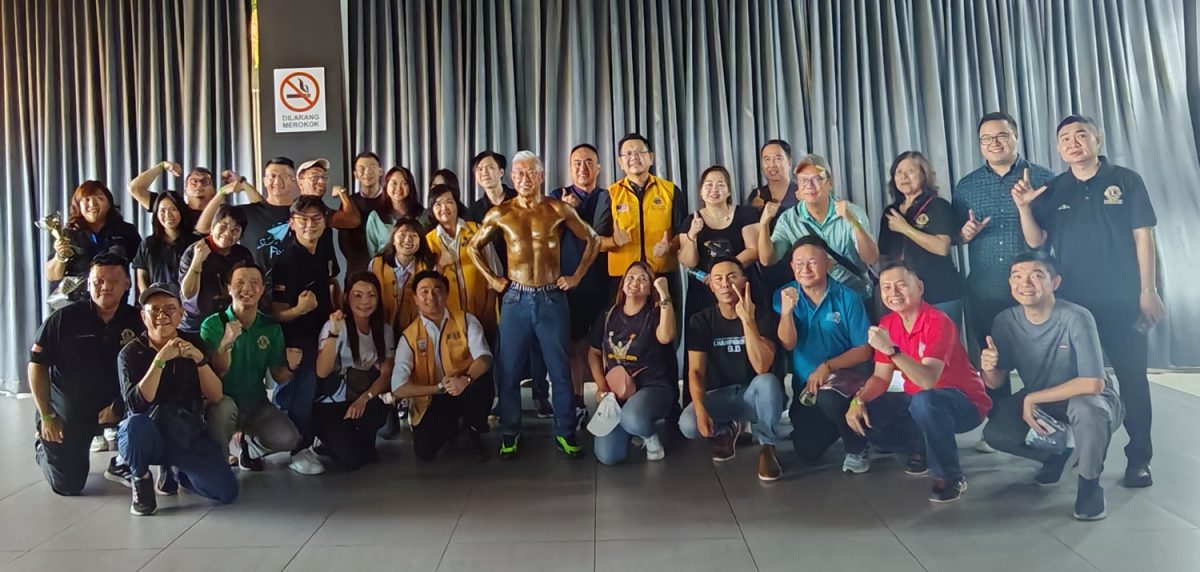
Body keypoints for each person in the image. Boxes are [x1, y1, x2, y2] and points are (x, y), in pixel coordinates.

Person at [1015, 114, 1163, 488]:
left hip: (1122, 300)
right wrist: (1024, 208)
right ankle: (1059, 453)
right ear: (1058, 147)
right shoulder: (1054, 189)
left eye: (1081, 135)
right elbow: (1036, 242)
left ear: (1098, 139)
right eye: (1065, 138)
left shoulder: (1126, 180)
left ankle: (1139, 459)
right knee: (1066, 382)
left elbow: (1143, 237)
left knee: (1132, 379)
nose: (1073, 142)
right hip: (1072, 307)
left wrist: (1148, 291)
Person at [468, 150, 599, 460]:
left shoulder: (557, 209)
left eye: (530, 173)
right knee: (508, 371)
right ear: (512, 178)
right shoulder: (500, 213)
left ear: (541, 176)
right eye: (518, 174)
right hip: (515, 298)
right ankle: (510, 432)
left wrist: (577, 276)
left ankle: (565, 432)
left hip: (551, 297)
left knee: (560, 370)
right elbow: (474, 247)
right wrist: (492, 279)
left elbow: (592, 239)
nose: (524, 179)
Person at [980, 251, 1123, 520]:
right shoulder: (1005, 321)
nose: (1025, 283)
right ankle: (1059, 455)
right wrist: (988, 367)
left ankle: (1089, 486)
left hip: (1090, 399)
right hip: (1044, 400)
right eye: (1017, 276)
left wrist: (1032, 398)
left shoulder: (1077, 317)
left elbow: (1093, 383)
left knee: (1087, 410)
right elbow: (996, 381)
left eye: (1037, 275)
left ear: (1055, 282)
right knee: (996, 433)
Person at [952, 111, 1057, 453]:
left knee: (1040, 360)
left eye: (1001, 136)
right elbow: (956, 236)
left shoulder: (1042, 178)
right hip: (985, 288)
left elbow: (1046, 238)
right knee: (992, 360)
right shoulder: (966, 186)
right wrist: (965, 234)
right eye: (986, 139)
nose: (994, 143)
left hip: (1032, 289)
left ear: (1015, 137)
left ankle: (1049, 426)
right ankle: (1000, 428)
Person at [844, 261, 991, 503]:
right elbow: (880, 377)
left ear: (919, 287)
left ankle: (949, 477)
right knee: (864, 411)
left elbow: (928, 380)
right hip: (919, 401)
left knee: (926, 400)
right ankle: (918, 447)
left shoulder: (938, 321)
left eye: (901, 285)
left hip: (964, 402)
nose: (894, 293)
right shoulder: (888, 324)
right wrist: (857, 401)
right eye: (887, 288)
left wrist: (891, 351)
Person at [118, 283, 237, 516]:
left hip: (184, 431)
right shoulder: (130, 353)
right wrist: (160, 361)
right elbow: (136, 404)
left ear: (181, 313)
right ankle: (141, 480)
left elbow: (216, 395)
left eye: (170, 308)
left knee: (226, 492)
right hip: (147, 433)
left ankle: (176, 472)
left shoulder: (193, 342)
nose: (162, 315)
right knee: (134, 425)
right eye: (154, 310)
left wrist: (200, 360)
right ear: (143, 316)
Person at [30, 254, 144, 496]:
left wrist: (121, 405)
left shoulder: (138, 321)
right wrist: (47, 415)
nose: (105, 287)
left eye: (114, 280)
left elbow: (148, 371)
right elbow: (36, 365)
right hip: (69, 413)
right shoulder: (63, 319)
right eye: (98, 281)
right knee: (68, 485)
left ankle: (122, 462)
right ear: (88, 283)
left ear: (127, 283)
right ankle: (44, 446)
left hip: (118, 407)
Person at [678, 257, 785, 481]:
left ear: (744, 281)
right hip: (720, 395)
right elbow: (696, 371)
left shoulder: (763, 315)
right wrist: (700, 409)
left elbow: (762, 365)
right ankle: (727, 429)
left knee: (768, 382)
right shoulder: (701, 320)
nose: (725, 284)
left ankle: (767, 446)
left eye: (732, 277)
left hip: (754, 396)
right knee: (687, 424)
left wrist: (747, 320)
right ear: (711, 286)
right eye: (718, 279)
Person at [774, 237, 873, 471]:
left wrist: (827, 366)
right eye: (799, 264)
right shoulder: (784, 295)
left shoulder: (848, 298)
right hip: (807, 386)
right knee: (807, 451)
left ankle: (858, 447)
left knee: (830, 398)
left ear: (828, 263)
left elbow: (864, 350)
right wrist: (786, 313)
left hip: (845, 378)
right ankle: (841, 424)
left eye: (812, 262)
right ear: (792, 266)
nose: (805, 269)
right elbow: (788, 344)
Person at [200, 262, 302, 470]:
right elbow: (217, 371)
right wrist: (225, 344)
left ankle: (249, 445)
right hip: (222, 402)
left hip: (256, 404)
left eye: (254, 282)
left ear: (262, 289)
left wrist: (291, 367)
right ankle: (219, 464)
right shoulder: (212, 325)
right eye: (239, 283)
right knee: (222, 409)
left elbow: (279, 376)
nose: (247, 288)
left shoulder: (271, 327)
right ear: (228, 288)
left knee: (289, 439)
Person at [388, 270, 494, 461]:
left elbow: (484, 357)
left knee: (483, 380)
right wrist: (438, 388)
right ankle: (451, 430)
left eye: (437, 290)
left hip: (464, 387)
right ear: (415, 298)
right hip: (432, 397)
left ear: (446, 294)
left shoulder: (466, 320)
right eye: (424, 291)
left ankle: (472, 429)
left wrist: (465, 379)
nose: (431, 296)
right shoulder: (409, 337)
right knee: (425, 452)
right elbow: (398, 387)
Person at [269, 196, 341, 475]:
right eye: (303, 220)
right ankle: (297, 449)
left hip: (321, 331)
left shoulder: (323, 249)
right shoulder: (286, 261)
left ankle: (305, 438)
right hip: (296, 339)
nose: (310, 225)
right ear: (292, 223)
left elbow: (330, 283)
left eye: (316, 219)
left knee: (321, 386)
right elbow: (277, 313)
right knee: (300, 391)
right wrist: (299, 310)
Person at [758, 154, 877, 302]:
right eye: (803, 180)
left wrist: (852, 221)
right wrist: (764, 224)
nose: (809, 185)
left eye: (817, 179)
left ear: (829, 183)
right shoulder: (789, 219)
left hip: (855, 297)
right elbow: (768, 260)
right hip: (814, 300)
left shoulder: (851, 212)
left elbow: (871, 258)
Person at [590, 263, 677, 465]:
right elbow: (593, 353)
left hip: (652, 386)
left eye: (643, 279)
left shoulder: (655, 314)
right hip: (617, 392)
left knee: (633, 417)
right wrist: (602, 386)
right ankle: (633, 430)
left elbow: (666, 336)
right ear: (622, 284)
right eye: (630, 277)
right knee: (607, 456)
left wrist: (664, 295)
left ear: (649, 289)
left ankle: (648, 435)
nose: (635, 283)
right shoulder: (608, 315)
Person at [313, 273, 394, 471]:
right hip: (332, 402)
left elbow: (386, 374)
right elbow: (322, 372)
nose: (365, 301)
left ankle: (355, 439)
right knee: (352, 460)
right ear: (346, 297)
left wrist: (364, 399)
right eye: (357, 295)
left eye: (371, 295)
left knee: (367, 453)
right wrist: (333, 334)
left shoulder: (385, 330)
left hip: (362, 396)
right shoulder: (336, 326)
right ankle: (325, 438)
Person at [595, 133, 688, 304]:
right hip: (623, 278)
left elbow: (683, 234)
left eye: (640, 152)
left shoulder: (670, 191)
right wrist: (614, 241)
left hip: (662, 274)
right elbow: (596, 242)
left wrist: (670, 246)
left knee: (665, 319)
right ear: (620, 162)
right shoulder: (610, 194)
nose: (634, 157)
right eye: (628, 154)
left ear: (651, 157)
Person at [877, 151, 965, 325]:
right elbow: (884, 254)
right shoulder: (890, 212)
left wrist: (905, 229)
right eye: (899, 173)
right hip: (903, 296)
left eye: (910, 171)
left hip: (940, 293)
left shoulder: (937, 205)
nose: (904, 177)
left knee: (942, 341)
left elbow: (942, 247)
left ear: (924, 175)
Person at [679, 165, 760, 331]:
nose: (714, 189)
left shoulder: (746, 215)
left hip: (739, 286)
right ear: (701, 192)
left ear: (729, 191)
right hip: (704, 290)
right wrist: (692, 234)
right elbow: (688, 261)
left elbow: (754, 250)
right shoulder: (691, 220)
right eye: (709, 185)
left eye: (720, 185)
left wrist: (722, 274)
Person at [426, 184, 502, 340]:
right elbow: (426, 285)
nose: (443, 208)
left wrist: (489, 309)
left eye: (449, 202)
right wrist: (440, 265)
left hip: (482, 312)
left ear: (457, 204)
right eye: (437, 204)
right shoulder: (428, 241)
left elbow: (494, 271)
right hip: (448, 319)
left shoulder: (476, 230)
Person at [44, 181, 142, 302]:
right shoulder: (68, 234)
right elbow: (52, 276)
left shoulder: (126, 230)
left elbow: (142, 266)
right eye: (87, 199)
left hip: (116, 302)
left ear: (109, 203)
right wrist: (60, 256)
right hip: (76, 303)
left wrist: (140, 300)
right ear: (78, 205)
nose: (93, 204)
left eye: (100, 198)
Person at [196, 157, 295, 269]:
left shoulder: (303, 212)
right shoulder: (247, 212)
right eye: (272, 176)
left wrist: (244, 183)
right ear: (264, 181)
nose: (277, 181)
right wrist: (221, 193)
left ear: (294, 180)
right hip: (253, 279)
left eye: (284, 176)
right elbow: (203, 228)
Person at [178, 205, 255, 332]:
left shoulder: (243, 255)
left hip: (230, 322)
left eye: (235, 230)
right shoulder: (194, 251)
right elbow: (188, 293)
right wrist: (197, 262)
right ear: (212, 227)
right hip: (195, 325)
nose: (228, 233)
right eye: (223, 226)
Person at [371, 217, 437, 331]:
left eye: (414, 236)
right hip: (381, 329)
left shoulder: (427, 268)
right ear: (393, 240)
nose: (407, 240)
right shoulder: (376, 264)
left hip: (415, 330)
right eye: (402, 235)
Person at [132, 192, 200, 294]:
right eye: (162, 210)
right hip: (155, 299)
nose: (168, 215)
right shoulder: (148, 244)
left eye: (173, 209)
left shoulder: (195, 243)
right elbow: (141, 277)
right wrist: (148, 298)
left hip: (187, 301)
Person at [335, 151, 391, 274]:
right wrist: (363, 266)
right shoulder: (349, 202)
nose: (367, 172)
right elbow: (344, 241)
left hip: (388, 269)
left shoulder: (391, 201)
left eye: (372, 167)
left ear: (380, 171)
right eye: (362, 168)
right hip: (357, 270)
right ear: (355, 174)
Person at [365, 167, 433, 257]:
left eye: (404, 183)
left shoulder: (423, 215)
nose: (398, 188)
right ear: (386, 185)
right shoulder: (375, 217)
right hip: (384, 265)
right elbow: (372, 254)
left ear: (410, 186)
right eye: (394, 183)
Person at [127, 161, 219, 225]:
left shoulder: (221, 214)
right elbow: (135, 188)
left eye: (205, 181)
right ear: (185, 189)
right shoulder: (174, 209)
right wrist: (162, 166)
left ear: (214, 190)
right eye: (194, 181)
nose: (199, 185)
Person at [296, 157, 364, 233]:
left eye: (323, 177)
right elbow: (353, 220)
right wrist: (342, 191)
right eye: (315, 177)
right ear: (300, 182)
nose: (321, 181)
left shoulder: (317, 206)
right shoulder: (305, 207)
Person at [747, 139, 798, 213]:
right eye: (767, 159)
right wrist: (754, 211)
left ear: (789, 162)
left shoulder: (802, 193)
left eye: (778, 158)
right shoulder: (756, 195)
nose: (772, 165)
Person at [464, 150, 516, 224]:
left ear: (501, 172)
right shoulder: (474, 211)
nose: (484, 173)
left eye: (490, 167)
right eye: (480, 169)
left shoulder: (518, 197)